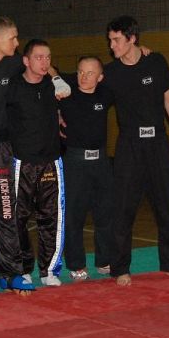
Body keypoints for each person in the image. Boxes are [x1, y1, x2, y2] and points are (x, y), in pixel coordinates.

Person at [0, 16, 70, 293]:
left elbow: (41, 62)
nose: (17, 42)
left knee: (6, 210)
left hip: (2, 147)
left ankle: (9, 272)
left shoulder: (14, 62)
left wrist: (57, 78)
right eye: (13, 37)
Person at [104, 15, 169, 286]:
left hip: (158, 143)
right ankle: (120, 268)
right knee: (123, 207)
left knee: (167, 204)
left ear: (132, 38)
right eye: (110, 40)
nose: (112, 45)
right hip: (129, 145)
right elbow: (88, 90)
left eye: (116, 40)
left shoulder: (156, 61)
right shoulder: (111, 72)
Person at [6, 39, 65, 287]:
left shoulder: (55, 85)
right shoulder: (12, 87)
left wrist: (57, 78)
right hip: (22, 162)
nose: (45, 62)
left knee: (52, 217)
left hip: (51, 161)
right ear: (26, 61)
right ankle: (23, 268)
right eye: (39, 57)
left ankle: (49, 270)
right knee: (17, 217)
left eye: (48, 57)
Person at [58, 56, 114, 281]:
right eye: (80, 71)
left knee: (105, 212)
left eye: (90, 73)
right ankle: (76, 263)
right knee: (74, 214)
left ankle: (104, 260)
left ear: (100, 77)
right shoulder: (66, 93)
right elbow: (46, 71)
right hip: (75, 161)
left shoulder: (106, 94)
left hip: (101, 161)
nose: (84, 76)